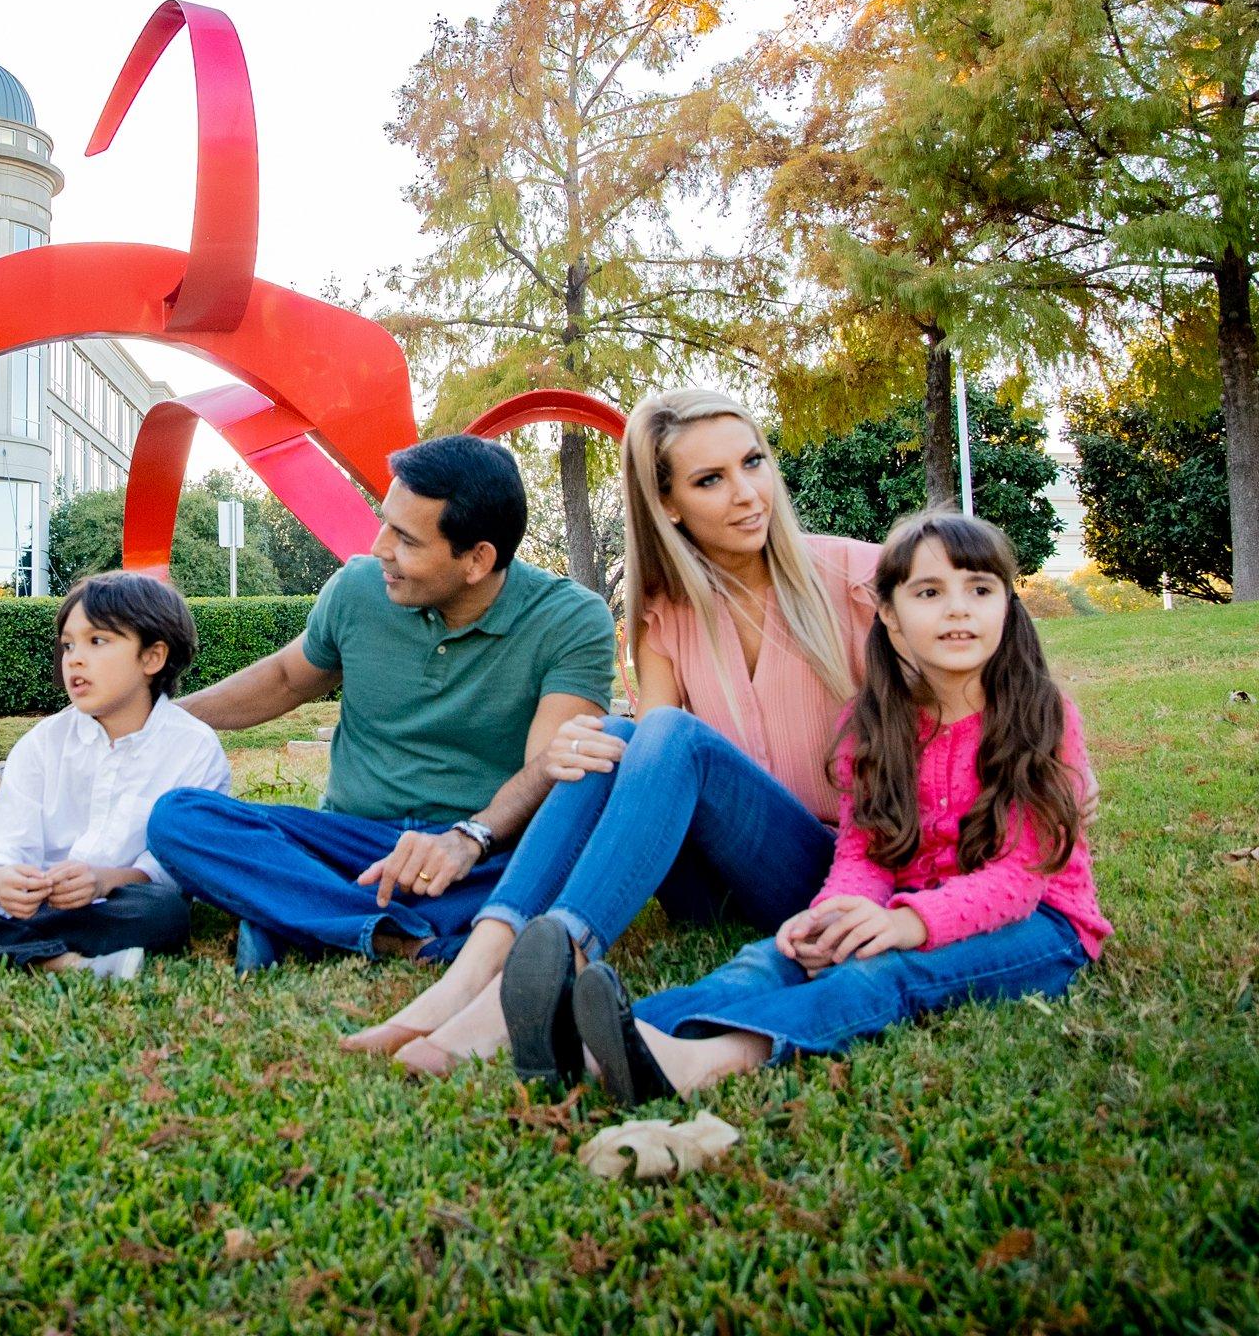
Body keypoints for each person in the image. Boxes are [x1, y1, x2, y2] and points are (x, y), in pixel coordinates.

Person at [350, 390, 877, 1074]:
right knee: (609, 738)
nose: (747, 494)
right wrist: (590, 744)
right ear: (670, 505)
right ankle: (473, 969)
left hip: (831, 876)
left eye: (754, 462)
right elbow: (647, 766)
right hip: (711, 891)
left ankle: (532, 978)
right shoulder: (664, 611)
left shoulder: (860, 578)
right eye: (710, 480)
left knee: (658, 733)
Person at [509, 510, 1112, 1103]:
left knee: (883, 972)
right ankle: (601, 1038)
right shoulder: (871, 724)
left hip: (1040, 928)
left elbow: (1018, 881)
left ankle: (708, 1059)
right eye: (929, 591)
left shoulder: (1041, 716)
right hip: (906, 908)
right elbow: (864, 852)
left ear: (1007, 605)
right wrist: (830, 913)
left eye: (980, 589)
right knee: (774, 957)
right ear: (891, 619)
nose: (958, 608)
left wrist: (905, 924)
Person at [142, 435, 617, 969]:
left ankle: (297, 911)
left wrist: (467, 840)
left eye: (406, 539)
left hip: (474, 852)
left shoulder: (570, 619)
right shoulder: (358, 590)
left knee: (553, 868)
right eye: (385, 521)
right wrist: (155, 717)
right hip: (348, 839)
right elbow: (283, 679)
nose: (379, 548)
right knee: (178, 819)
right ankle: (401, 936)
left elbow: (549, 770)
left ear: (477, 560)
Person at [0, 571, 231, 979]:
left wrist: (100, 881)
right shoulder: (43, 742)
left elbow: (174, 869)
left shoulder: (195, 748)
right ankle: (56, 962)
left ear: (152, 657)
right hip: (29, 901)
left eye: (97, 641)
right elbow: (2, 842)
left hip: (113, 903)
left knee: (164, 914)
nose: (75, 658)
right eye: (67, 645)